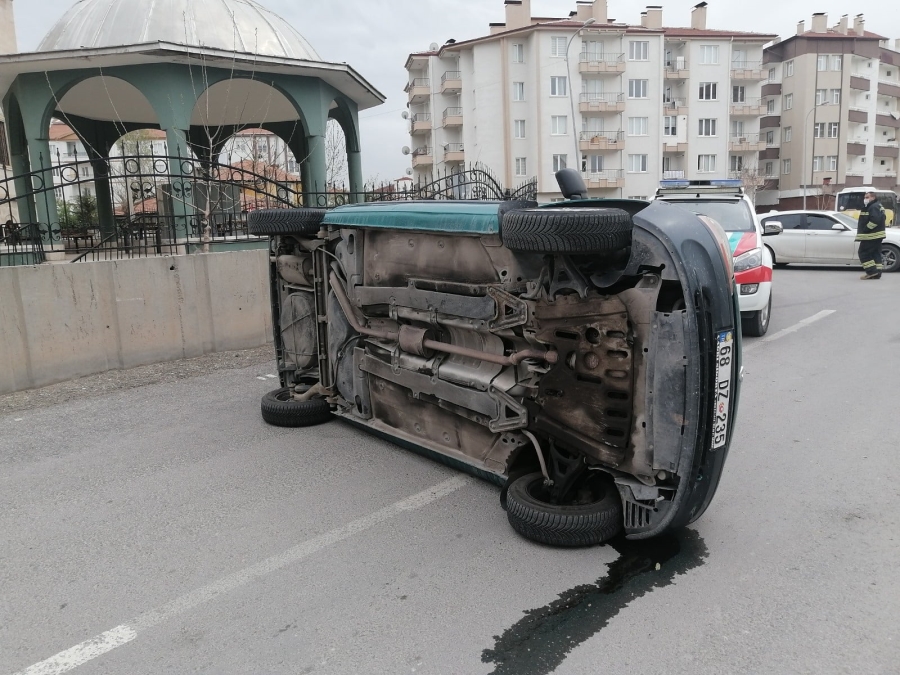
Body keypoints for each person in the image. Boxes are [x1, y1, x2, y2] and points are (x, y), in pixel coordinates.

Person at [856, 191, 886, 280]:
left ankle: (871, 272)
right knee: (875, 254)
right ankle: (877, 273)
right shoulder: (878, 205)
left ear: (873, 198)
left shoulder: (873, 206)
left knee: (863, 253)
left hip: (871, 236)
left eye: (867, 197)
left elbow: (875, 220)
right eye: (865, 197)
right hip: (876, 235)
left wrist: (866, 229)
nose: (865, 199)